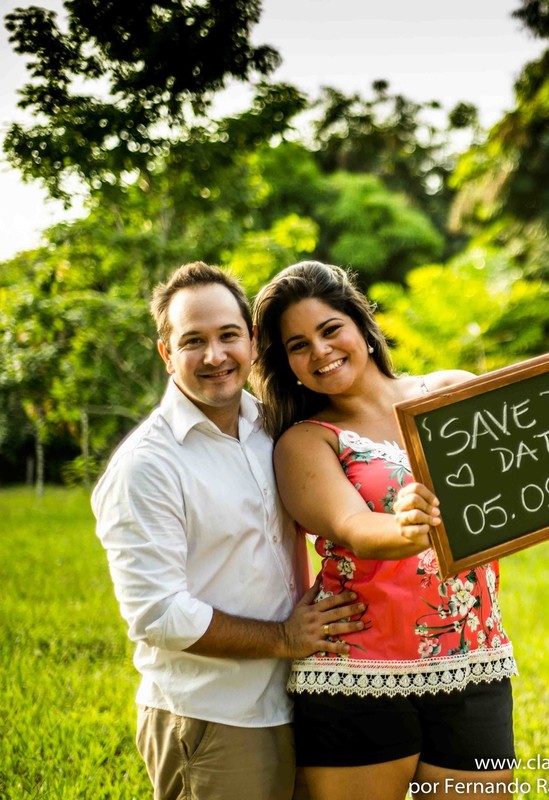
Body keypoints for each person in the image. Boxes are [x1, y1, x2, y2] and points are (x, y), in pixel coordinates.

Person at [250, 261, 549, 800]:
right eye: (298, 345)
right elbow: (356, 527)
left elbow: (539, 454)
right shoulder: (306, 442)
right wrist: (409, 526)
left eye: (330, 330)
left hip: (474, 662)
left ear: (362, 329)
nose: (320, 351)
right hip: (360, 673)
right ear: (288, 364)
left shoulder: (451, 394)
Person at [92, 262, 369, 800]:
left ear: (252, 340)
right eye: (194, 340)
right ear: (167, 353)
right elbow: (159, 615)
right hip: (215, 716)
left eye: (228, 336)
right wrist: (285, 638)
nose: (215, 356)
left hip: (301, 699)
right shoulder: (147, 466)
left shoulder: (275, 427)